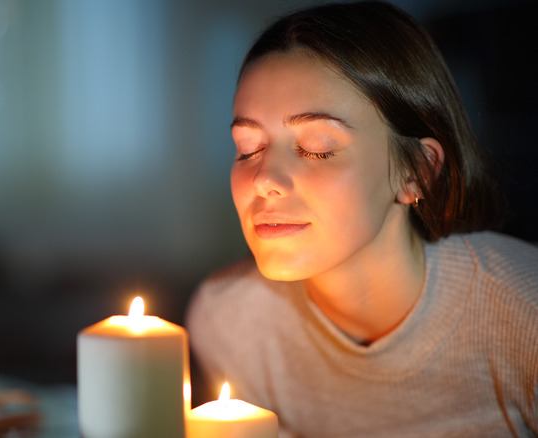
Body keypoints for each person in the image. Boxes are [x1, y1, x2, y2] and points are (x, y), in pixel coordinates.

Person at [185, 1, 538, 437]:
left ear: (417, 171)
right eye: (248, 148)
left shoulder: (524, 317)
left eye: (316, 147)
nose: (265, 180)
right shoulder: (230, 321)